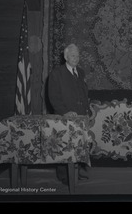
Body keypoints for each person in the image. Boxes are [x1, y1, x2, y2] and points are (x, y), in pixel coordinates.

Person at [48, 43, 90, 181]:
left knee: (78, 145)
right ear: (66, 57)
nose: (76, 58)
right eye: (73, 55)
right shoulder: (56, 73)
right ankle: (64, 176)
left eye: (78, 55)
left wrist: (86, 111)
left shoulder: (81, 72)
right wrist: (64, 112)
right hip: (64, 117)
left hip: (81, 117)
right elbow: (53, 97)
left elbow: (84, 93)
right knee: (65, 146)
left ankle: (77, 172)